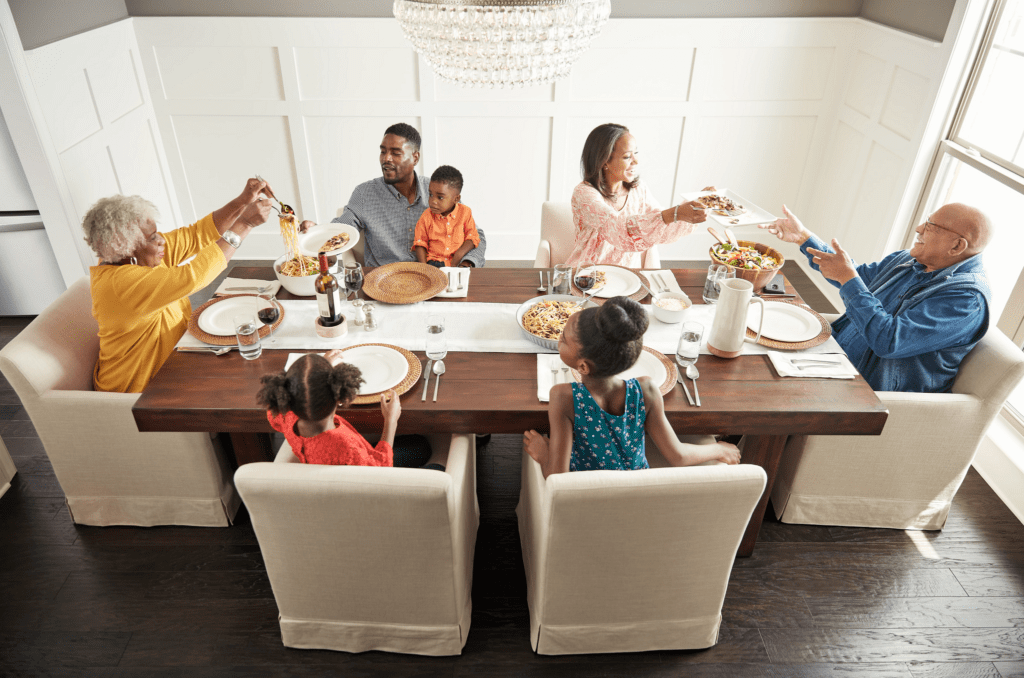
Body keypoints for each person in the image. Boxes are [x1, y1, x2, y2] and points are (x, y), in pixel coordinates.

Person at [759, 203, 993, 393]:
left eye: (932, 226)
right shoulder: (910, 260)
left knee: (765, 384)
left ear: (957, 246)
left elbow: (889, 341)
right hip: (833, 358)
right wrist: (803, 237)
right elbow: (858, 278)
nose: (919, 228)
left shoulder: (966, 300)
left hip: (866, 390)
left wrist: (849, 279)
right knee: (756, 352)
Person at [84, 178, 274, 393]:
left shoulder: (139, 255)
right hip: (138, 389)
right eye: (152, 237)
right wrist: (245, 224)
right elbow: (194, 276)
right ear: (125, 247)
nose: (162, 240)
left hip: (177, 358)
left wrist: (242, 202)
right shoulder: (122, 283)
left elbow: (197, 234)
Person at [522, 296, 740, 478]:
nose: (559, 337)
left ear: (583, 366)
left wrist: (544, 455)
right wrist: (719, 449)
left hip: (585, 501)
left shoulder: (563, 397)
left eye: (563, 339)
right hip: (637, 499)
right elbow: (678, 456)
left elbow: (557, 478)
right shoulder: (647, 390)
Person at [299, 123, 486, 268]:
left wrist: (465, 264)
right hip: (383, 283)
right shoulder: (364, 194)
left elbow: (477, 235)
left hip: (434, 278)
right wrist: (317, 232)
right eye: (383, 151)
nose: (386, 159)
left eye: (395, 153)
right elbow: (342, 230)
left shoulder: (438, 191)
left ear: (415, 157)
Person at [257, 351, 447, 470]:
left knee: (418, 446)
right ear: (339, 397)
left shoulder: (285, 413)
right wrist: (391, 420)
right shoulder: (344, 446)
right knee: (426, 454)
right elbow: (381, 469)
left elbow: (275, 411)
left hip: (335, 470)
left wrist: (314, 376)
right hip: (371, 481)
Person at [565, 123, 709, 268]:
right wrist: (674, 213)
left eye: (636, 153)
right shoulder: (584, 194)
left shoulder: (639, 190)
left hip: (627, 278)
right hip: (586, 276)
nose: (636, 161)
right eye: (627, 156)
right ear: (604, 161)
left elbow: (662, 230)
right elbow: (619, 230)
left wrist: (698, 205)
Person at [412, 165, 481, 268]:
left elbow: (472, 237)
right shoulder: (426, 216)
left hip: (458, 262)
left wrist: (458, 256)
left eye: (440, 197)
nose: (433, 201)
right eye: (430, 194)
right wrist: (425, 268)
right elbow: (420, 243)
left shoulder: (465, 212)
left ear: (456, 199)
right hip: (434, 263)